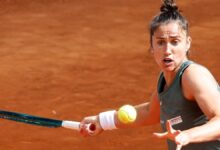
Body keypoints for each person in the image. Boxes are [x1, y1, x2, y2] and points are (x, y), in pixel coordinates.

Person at [79, 0, 220, 149]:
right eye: (160, 42)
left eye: (175, 41)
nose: (167, 50)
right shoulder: (165, 79)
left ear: (187, 43)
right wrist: (102, 121)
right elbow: (150, 112)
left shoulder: (193, 75)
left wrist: (187, 135)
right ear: (151, 46)